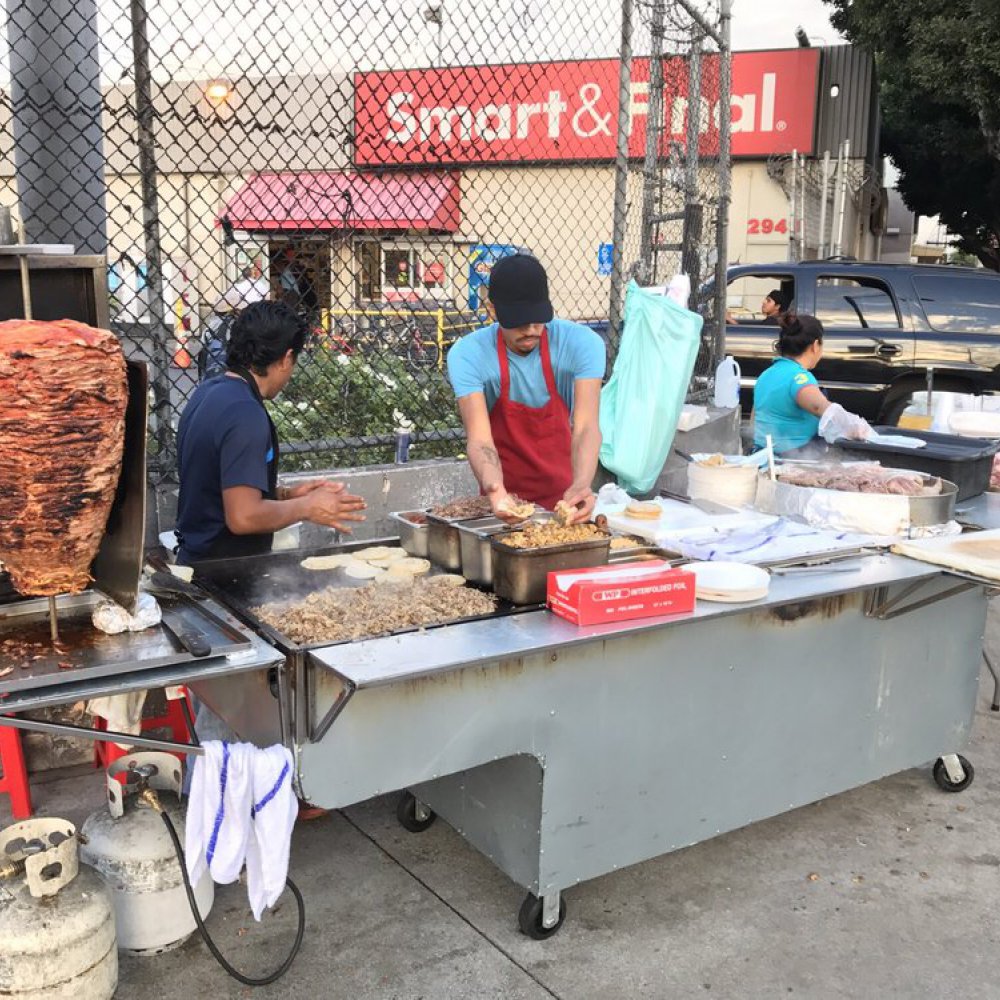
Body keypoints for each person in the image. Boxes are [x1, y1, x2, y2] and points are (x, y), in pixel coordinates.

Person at [175, 300, 366, 564]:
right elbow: (243, 517)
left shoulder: (209, 392)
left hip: (194, 563)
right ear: (287, 358)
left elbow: (215, 492)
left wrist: (286, 495)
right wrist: (307, 507)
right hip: (223, 573)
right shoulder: (246, 414)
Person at [446, 254, 605, 522]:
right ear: (493, 310)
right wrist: (495, 490)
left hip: (566, 496)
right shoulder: (468, 354)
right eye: (519, 321)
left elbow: (586, 426)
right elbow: (480, 439)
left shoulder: (582, 344)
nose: (531, 330)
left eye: (538, 319)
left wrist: (582, 484)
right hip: (503, 500)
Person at [753, 313, 870, 455]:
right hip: (790, 460)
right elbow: (825, 411)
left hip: (760, 455)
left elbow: (756, 417)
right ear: (815, 345)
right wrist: (862, 430)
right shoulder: (799, 378)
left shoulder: (766, 375)